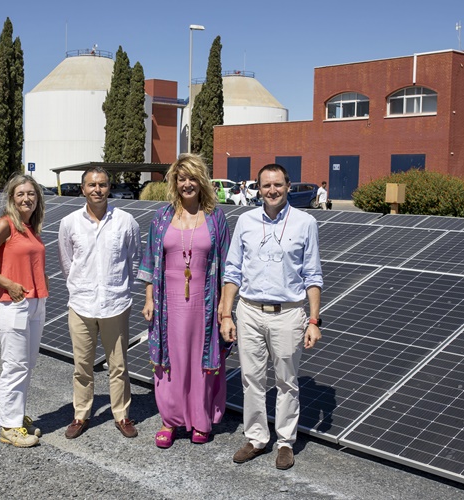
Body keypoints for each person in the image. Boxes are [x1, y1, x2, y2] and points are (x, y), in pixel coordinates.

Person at [219, 163, 323, 470]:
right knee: (251, 379)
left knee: (287, 381)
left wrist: (314, 320)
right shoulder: (246, 221)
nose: (272, 190)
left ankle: (285, 442)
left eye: (278, 185)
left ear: (288, 186)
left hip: (288, 314)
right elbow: (233, 270)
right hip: (249, 310)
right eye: (266, 185)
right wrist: (227, 314)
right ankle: (255, 438)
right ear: (258, 189)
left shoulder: (305, 223)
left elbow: (313, 274)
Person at [139, 153, 231, 449]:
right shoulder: (162, 217)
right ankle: (170, 420)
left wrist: (224, 306)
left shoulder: (216, 217)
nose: (187, 183)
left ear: (201, 181)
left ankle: (200, 420)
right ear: (174, 183)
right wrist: (149, 298)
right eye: (182, 178)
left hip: (205, 303)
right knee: (170, 360)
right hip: (169, 304)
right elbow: (151, 260)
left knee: (200, 361)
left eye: (193, 178)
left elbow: (228, 264)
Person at [58, 167, 141, 440]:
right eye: (92, 185)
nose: (97, 189)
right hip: (81, 304)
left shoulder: (127, 222)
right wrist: (80, 287)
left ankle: (122, 415)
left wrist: (121, 290)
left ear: (109, 188)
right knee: (82, 366)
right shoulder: (69, 222)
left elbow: (134, 261)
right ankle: (81, 415)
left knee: (118, 366)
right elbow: (67, 263)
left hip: (115, 304)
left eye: (102, 185)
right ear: (83, 189)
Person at [0, 174, 49, 448]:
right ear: (11, 198)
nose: (27, 198)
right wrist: (8, 284)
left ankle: (18, 417)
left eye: (31, 194)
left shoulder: (31, 228)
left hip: (37, 303)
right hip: (14, 304)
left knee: (27, 365)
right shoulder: (6, 225)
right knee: (14, 366)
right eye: (21, 194)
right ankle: (9, 426)